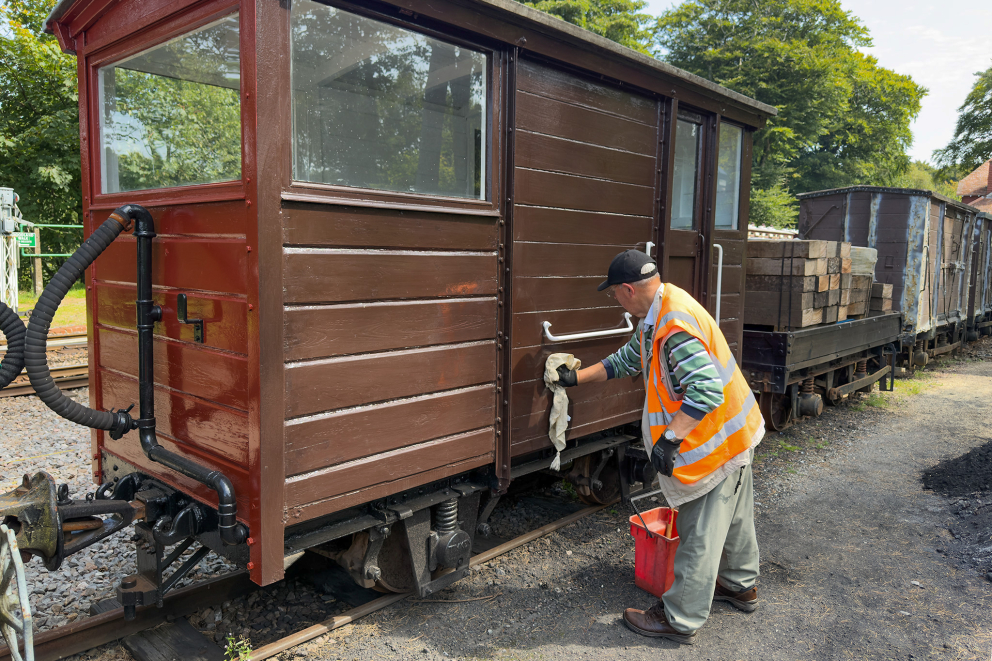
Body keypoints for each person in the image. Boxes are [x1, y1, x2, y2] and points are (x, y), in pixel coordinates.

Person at [556, 249, 765, 645]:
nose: (615, 300)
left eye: (614, 294)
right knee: (734, 517)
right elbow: (628, 359)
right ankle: (741, 586)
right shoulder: (662, 310)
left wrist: (670, 439)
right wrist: (574, 378)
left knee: (700, 531)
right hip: (735, 434)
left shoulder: (673, 327)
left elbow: (705, 391)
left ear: (628, 289)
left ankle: (680, 619)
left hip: (713, 445)